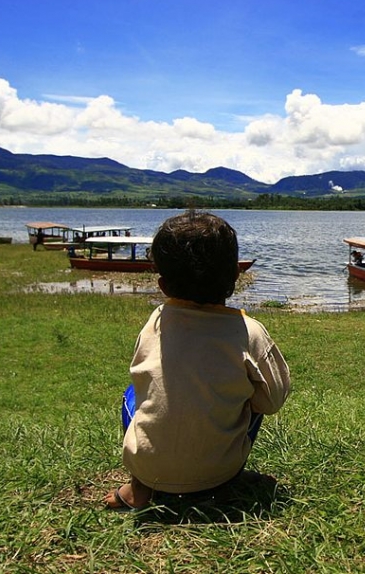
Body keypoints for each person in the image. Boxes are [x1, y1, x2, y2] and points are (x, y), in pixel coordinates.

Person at [104, 210, 291, 511]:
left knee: (131, 395)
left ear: (163, 286)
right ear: (235, 277)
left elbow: (144, 379)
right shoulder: (249, 332)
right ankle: (225, 475)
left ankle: (138, 486)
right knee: (252, 399)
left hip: (148, 468)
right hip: (219, 475)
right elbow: (273, 401)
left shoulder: (155, 322)